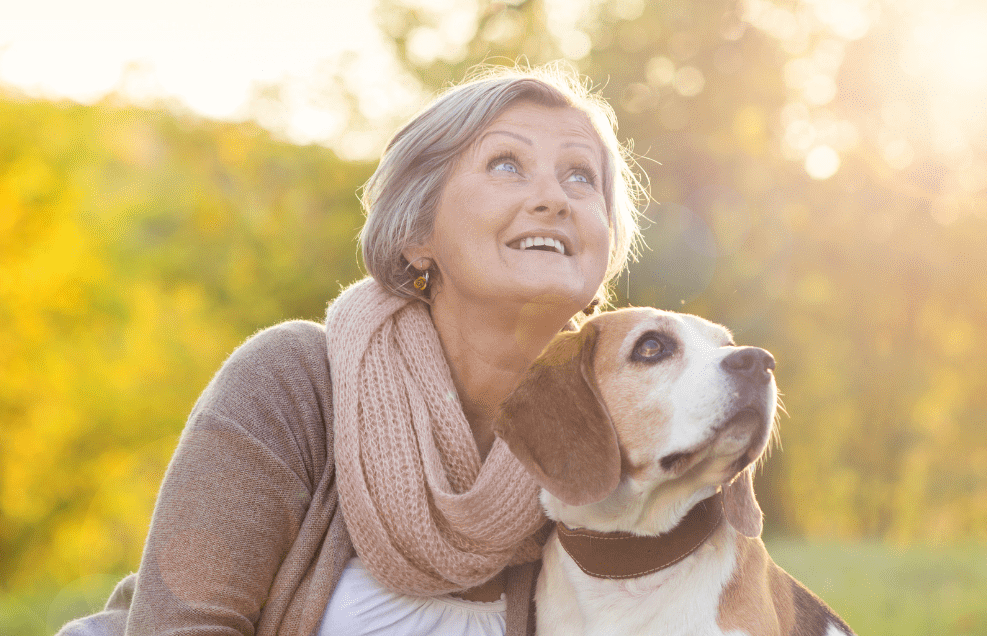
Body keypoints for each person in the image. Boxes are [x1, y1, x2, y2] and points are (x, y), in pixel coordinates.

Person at [58, 63, 644, 636]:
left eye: (580, 177)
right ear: (418, 234)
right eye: (507, 164)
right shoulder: (294, 383)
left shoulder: (635, 428)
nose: (554, 198)